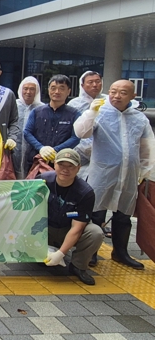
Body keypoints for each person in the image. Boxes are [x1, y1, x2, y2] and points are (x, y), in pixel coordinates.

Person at [74, 79, 155, 269]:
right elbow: (81, 132)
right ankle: (91, 252)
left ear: (133, 96)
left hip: (129, 175)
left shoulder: (139, 118)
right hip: (102, 173)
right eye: (113, 91)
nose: (116, 96)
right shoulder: (100, 112)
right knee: (96, 213)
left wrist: (146, 172)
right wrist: (91, 113)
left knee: (123, 215)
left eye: (123, 93)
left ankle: (120, 252)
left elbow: (147, 147)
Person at [41, 149, 103, 286]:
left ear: (78, 168)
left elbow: (77, 228)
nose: (65, 169)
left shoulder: (85, 192)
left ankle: (78, 266)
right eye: (61, 164)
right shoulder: (42, 181)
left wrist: (61, 254)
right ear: (54, 164)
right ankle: (37, 254)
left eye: (71, 166)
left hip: (67, 229)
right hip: (43, 228)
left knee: (95, 232)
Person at [23, 74, 80, 172]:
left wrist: (55, 150)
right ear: (48, 90)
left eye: (62, 88)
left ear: (68, 91)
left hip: (61, 162)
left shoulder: (74, 114)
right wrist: (41, 148)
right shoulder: (37, 112)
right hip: (36, 160)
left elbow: (76, 137)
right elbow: (27, 132)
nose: (57, 91)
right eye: (53, 88)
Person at [68, 71, 105, 179]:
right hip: (78, 152)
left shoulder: (108, 102)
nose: (95, 85)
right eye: (90, 82)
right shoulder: (74, 104)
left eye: (98, 81)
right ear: (82, 85)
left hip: (102, 152)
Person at [13, 76, 43, 179]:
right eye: (25, 88)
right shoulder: (13, 105)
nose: (28, 92)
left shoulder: (42, 108)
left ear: (37, 91)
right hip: (14, 151)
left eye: (32, 89)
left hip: (33, 151)